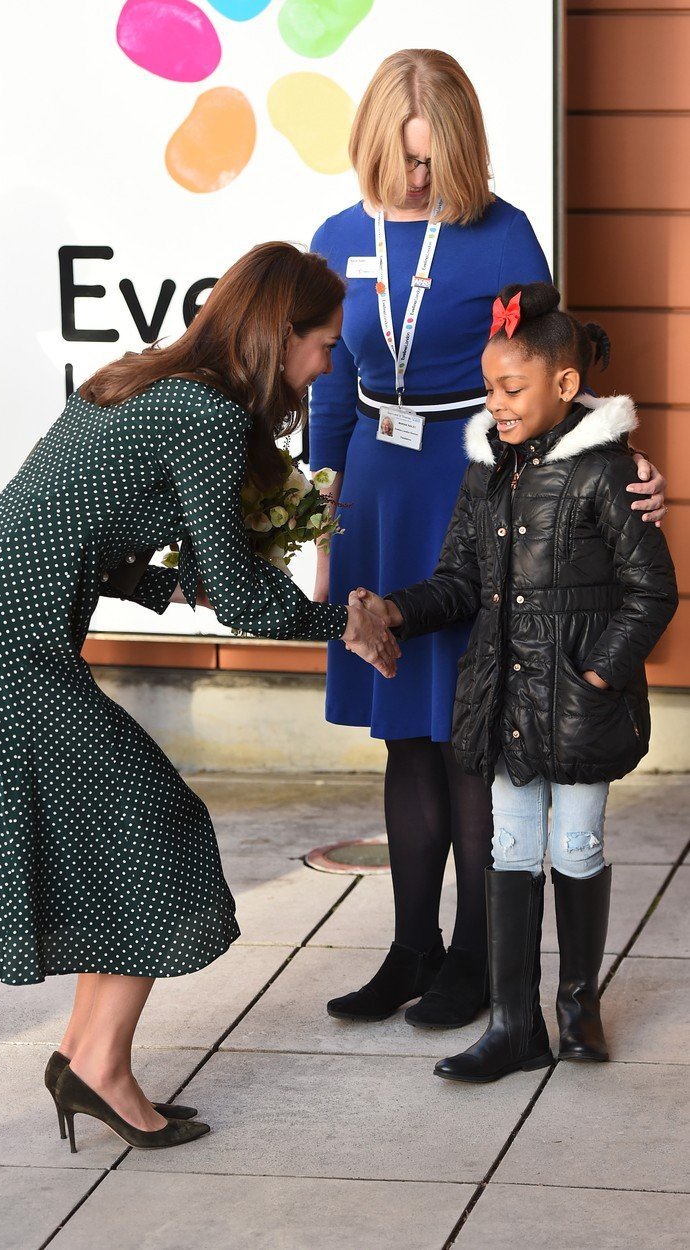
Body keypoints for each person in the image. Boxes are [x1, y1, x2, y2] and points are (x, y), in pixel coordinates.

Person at [0, 242, 398, 1153]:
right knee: (159, 831)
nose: (328, 364)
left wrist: (181, 590)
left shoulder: (135, 382)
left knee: (136, 831)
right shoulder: (206, 418)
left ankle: (86, 1058)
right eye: (325, 345)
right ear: (279, 336)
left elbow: (78, 534)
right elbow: (240, 589)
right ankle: (95, 1064)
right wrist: (344, 619)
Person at [309, 49, 668, 1029]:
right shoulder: (338, 236)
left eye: (432, 160)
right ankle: (411, 947)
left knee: (474, 730)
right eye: (402, 157)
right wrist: (317, 508)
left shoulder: (503, 234)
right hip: (378, 495)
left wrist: (614, 463)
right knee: (405, 735)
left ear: (459, 146)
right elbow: (332, 380)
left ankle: (477, 955)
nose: (417, 178)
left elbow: (552, 379)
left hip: (473, 480)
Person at [353, 281, 678, 1082]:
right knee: (508, 848)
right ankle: (512, 1021)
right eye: (488, 387)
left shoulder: (607, 475)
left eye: (510, 388)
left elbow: (653, 590)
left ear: (565, 386)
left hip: (580, 709)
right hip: (503, 703)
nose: (493, 403)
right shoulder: (486, 472)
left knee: (575, 845)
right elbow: (459, 580)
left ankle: (578, 1005)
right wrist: (396, 610)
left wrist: (600, 670)